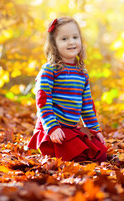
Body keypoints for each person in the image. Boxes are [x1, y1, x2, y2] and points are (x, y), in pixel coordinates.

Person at [27, 17, 108, 162]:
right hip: (53, 129)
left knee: (100, 154)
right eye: (64, 39)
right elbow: (43, 102)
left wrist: (94, 130)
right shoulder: (50, 70)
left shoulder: (82, 73)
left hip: (70, 129)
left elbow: (87, 105)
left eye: (75, 37)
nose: (71, 42)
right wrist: (52, 127)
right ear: (54, 44)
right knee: (77, 157)